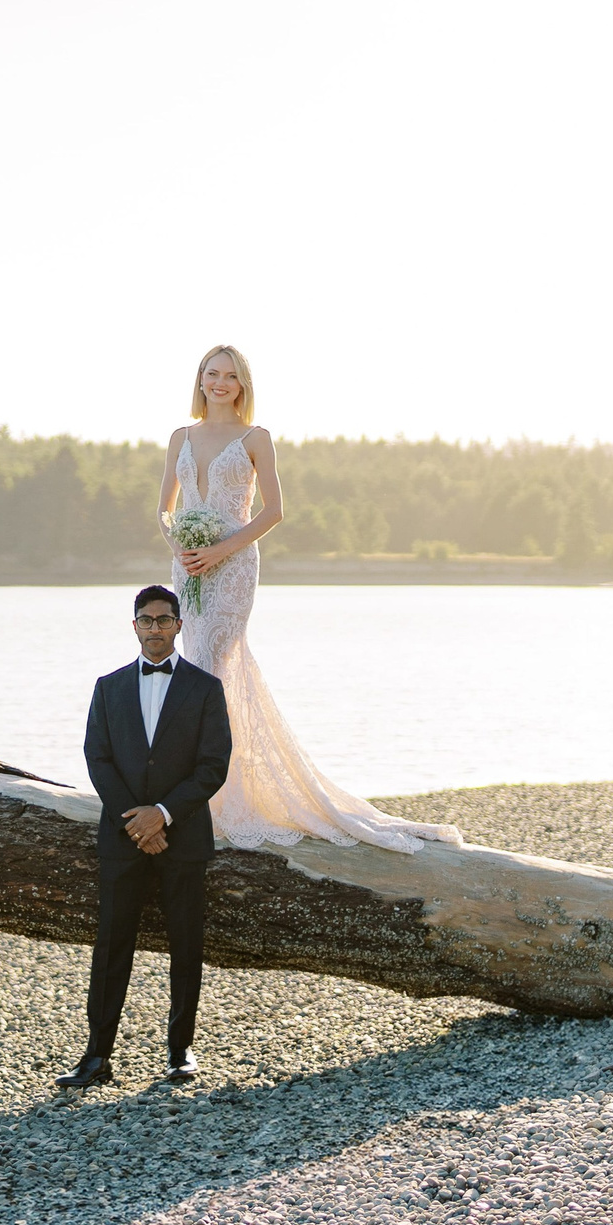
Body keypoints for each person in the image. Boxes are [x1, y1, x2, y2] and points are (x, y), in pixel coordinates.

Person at [162, 343, 462, 854]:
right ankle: (212, 785)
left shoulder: (257, 438)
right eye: (211, 373)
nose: (219, 383)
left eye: (230, 376)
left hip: (233, 566)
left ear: (243, 385)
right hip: (189, 566)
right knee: (198, 665)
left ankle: (207, 793)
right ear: (200, 379)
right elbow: (165, 509)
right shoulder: (180, 437)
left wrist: (220, 551)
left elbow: (273, 511)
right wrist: (184, 548)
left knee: (210, 664)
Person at [60, 584, 233, 1088]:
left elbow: (213, 766)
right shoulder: (108, 687)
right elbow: (98, 759)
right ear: (133, 625)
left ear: (179, 626)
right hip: (122, 839)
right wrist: (135, 822)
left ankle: (180, 1051)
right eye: (146, 619)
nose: (155, 627)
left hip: (184, 837)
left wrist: (162, 814)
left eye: (164, 619)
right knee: (112, 944)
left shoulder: (205, 688)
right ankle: (96, 1057)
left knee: (186, 944)